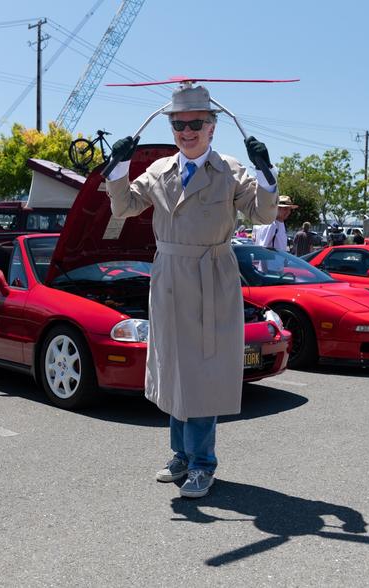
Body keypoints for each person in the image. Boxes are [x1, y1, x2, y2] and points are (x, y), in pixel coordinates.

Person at [105, 84, 278, 499]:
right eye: (179, 124)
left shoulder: (231, 170)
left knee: (203, 371)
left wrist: (265, 172)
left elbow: (262, 213)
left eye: (195, 123)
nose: (187, 131)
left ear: (212, 128)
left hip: (211, 276)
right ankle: (180, 454)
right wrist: (116, 166)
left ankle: (203, 464)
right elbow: (123, 206)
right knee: (173, 367)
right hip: (168, 277)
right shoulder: (161, 170)